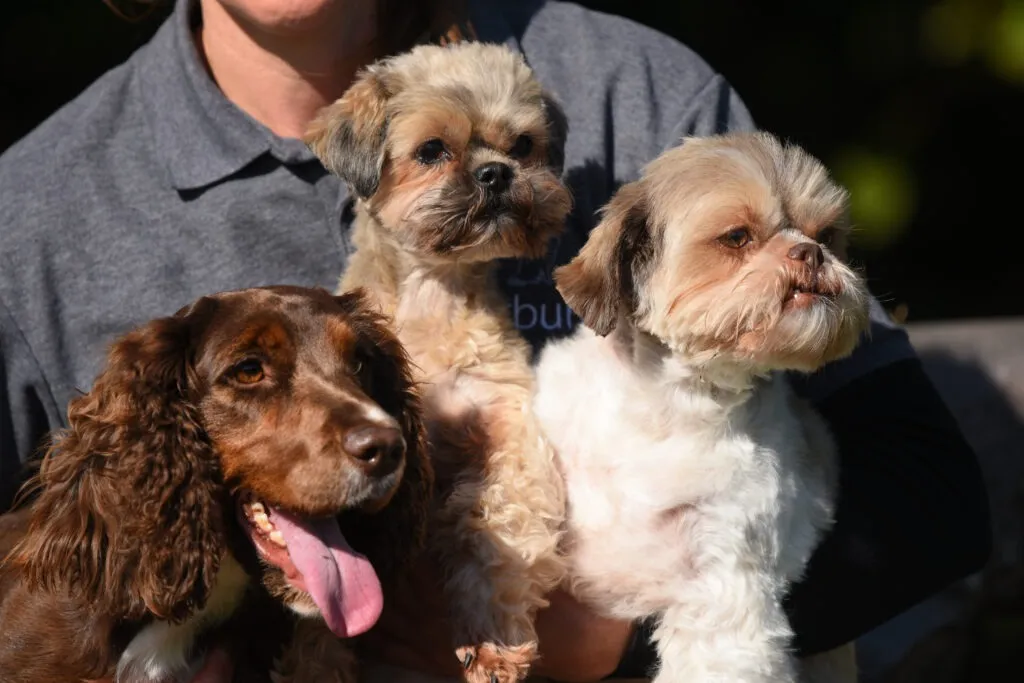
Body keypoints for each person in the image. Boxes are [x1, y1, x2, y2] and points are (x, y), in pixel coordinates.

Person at [0, 0, 990, 681]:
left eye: (522, 148)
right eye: (432, 151)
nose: (489, 170)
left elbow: (926, 493)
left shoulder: (631, 92)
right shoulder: (37, 216)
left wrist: (600, 632)